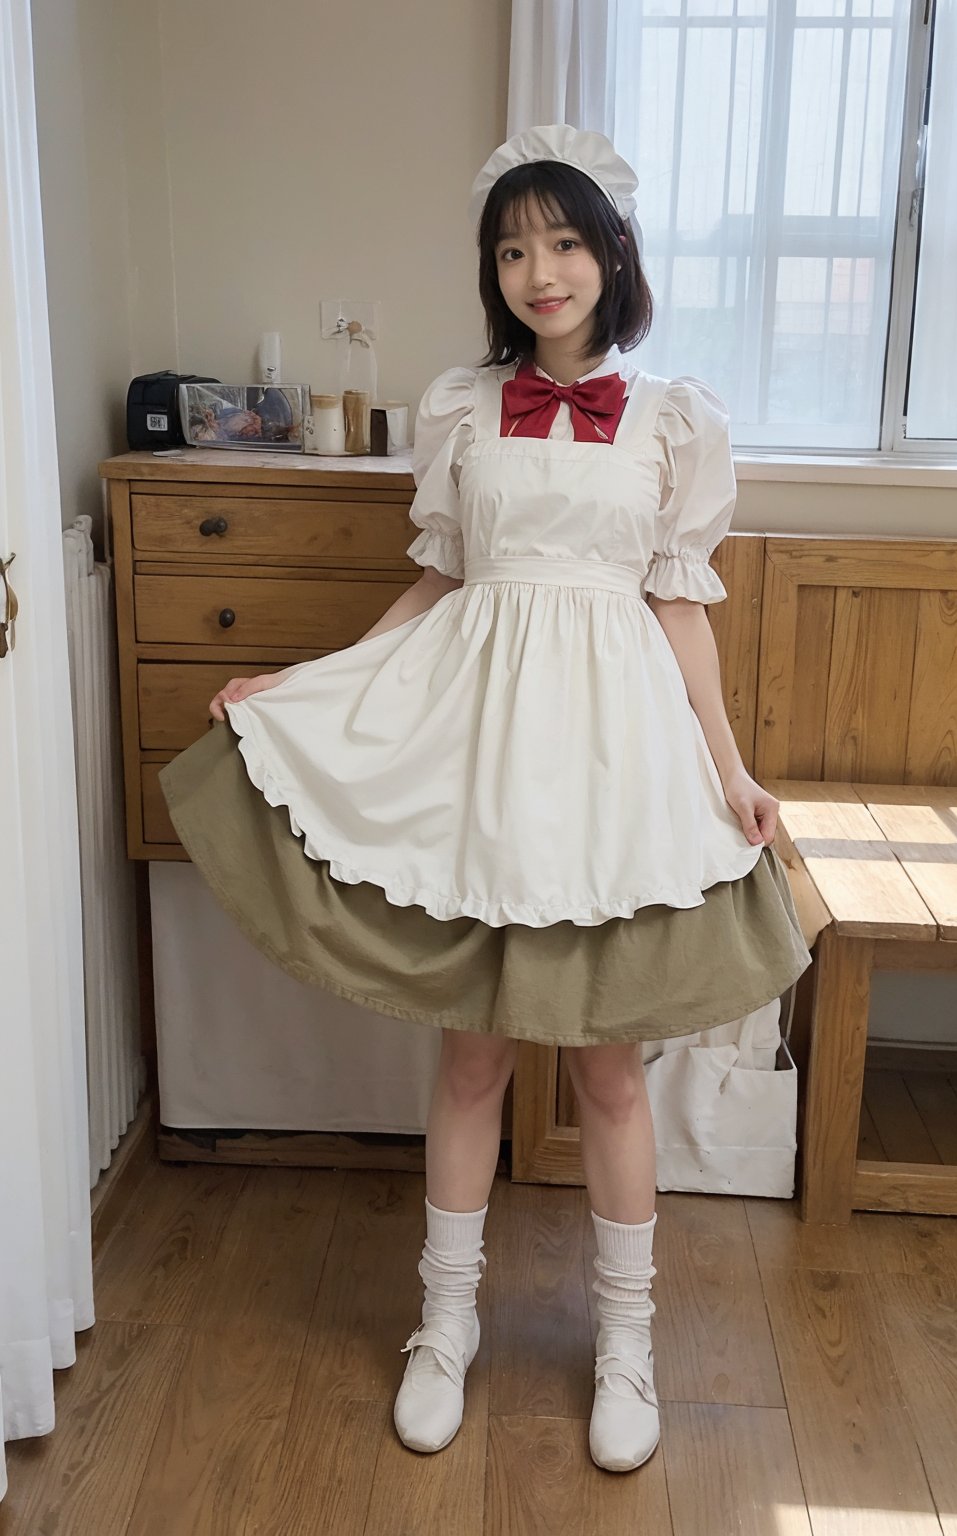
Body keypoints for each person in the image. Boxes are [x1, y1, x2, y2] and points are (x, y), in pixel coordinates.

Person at [158, 124, 811, 1474]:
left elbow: (681, 610)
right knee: (470, 1054)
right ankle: (442, 1327)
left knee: (611, 1069)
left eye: (564, 242)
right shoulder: (464, 404)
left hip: (613, 760)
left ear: (612, 253)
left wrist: (730, 767)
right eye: (514, 248)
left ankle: (627, 1344)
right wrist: (311, 681)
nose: (539, 269)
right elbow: (444, 583)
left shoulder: (673, 418)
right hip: (484, 747)